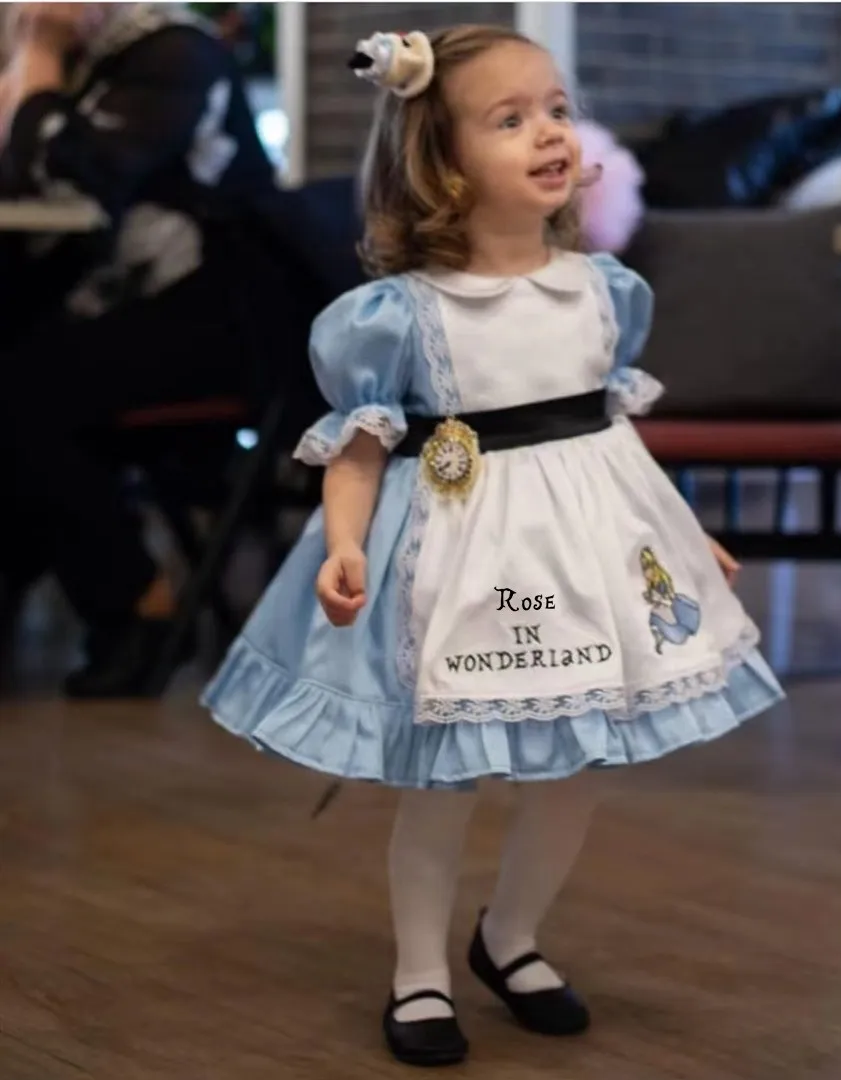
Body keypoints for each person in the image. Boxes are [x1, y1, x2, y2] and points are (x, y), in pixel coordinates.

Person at [202, 24, 785, 1069]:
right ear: (443, 163)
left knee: (578, 767)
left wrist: (683, 534)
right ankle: (418, 972)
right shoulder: (397, 317)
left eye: (556, 109)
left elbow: (613, 432)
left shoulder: (603, 292)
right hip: (462, 563)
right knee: (444, 780)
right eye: (509, 119)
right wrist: (343, 543)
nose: (549, 133)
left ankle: (510, 939)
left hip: (589, 555)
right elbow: (360, 447)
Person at [0, 3, 307, 696]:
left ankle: (139, 602)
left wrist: (39, 57)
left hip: (219, 322)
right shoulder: (103, 65)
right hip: (137, 309)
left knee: (21, 395)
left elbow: (64, 174)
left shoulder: (175, 54)